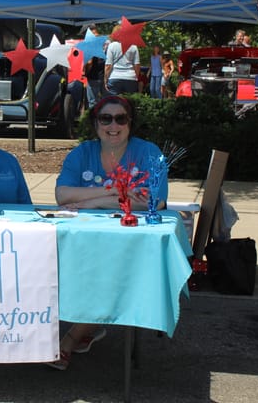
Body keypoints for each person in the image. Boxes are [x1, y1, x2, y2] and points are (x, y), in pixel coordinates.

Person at [48, 95, 168, 370]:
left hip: (130, 240)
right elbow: (62, 195)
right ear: (95, 123)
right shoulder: (81, 154)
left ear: (130, 123)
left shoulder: (149, 152)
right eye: (106, 118)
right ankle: (90, 324)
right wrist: (116, 191)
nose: (113, 125)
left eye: (120, 118)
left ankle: (69, 339)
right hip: (83, 238)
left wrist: (94, 201)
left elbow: (154, 201)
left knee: (115, 272)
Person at [104, 25, 141, 95]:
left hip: (115, 77)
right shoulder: (133, 46)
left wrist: (105, 80)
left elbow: (108, 65)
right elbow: (137, 65)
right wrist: (135, 77)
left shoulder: (111, 46)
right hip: (130, 78)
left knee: (114, 103)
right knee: (129, 103)